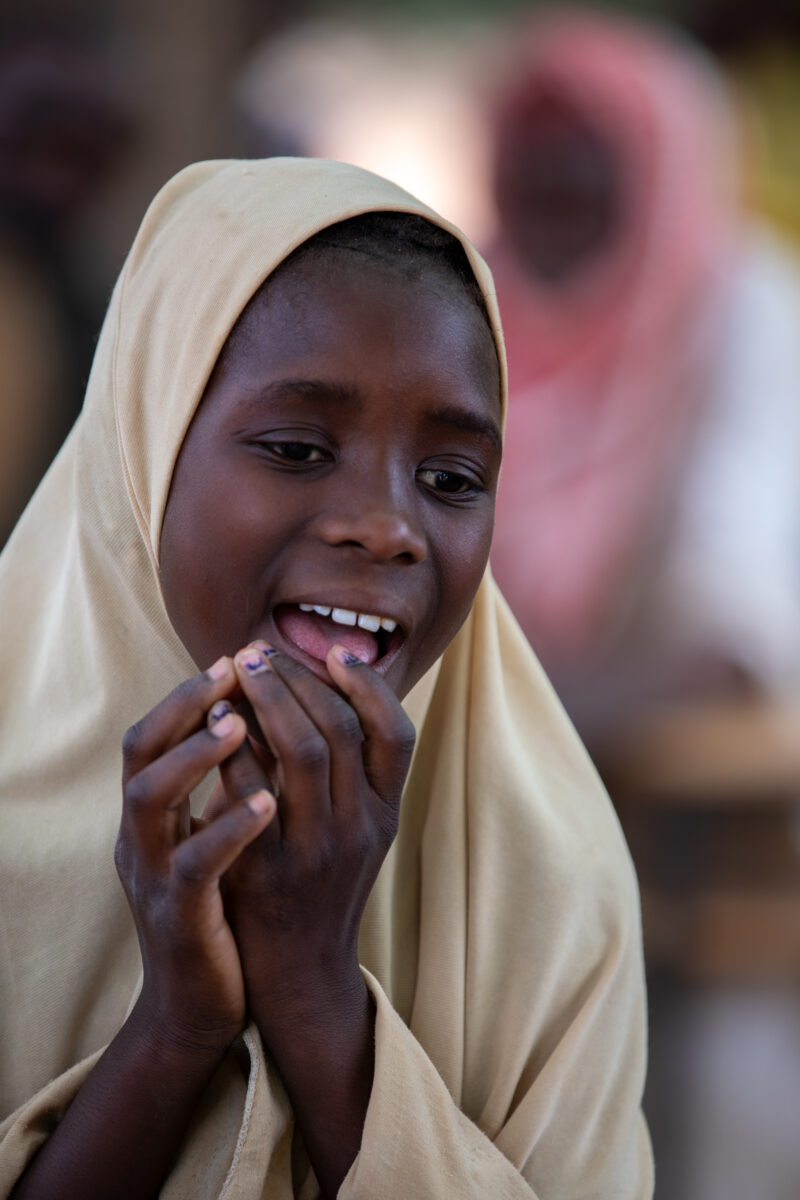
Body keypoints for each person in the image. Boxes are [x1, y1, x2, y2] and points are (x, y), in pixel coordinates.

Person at [0, 157, 652, 1199]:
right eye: (298, 448)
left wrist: (312, 988)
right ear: (147, 449)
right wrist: (175, 1030)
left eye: (449, 480)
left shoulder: (550, 882)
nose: (387, 528)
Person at [487, 11, 800, 742]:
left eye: (580, 192)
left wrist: (524, 716)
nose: (554, 207)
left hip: (701, 771)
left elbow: (728, 622)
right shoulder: (470, 301)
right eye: (538, 193)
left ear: (659, 178)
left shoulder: (744, 308)